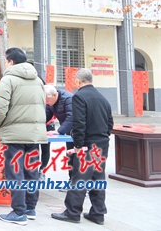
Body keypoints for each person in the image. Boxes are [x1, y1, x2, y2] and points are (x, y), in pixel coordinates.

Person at [0, 47, 47, 225]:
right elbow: (43, 105)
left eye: (6, 60)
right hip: (34, 135)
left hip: (14, 134)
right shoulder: (38, 80)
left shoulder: (8, 79)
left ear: (11, 62)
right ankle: (30, 208)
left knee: (15, 173)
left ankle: (18, 212)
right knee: (32, 171)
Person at [52, 68, 113, 225]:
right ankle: (98, 213)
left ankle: (72, 212)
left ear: (78, 81)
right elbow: (110, 123)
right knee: (97, 178)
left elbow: (79, 123)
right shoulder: (102, 98)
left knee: (79, 178)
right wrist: (103, 137)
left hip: (87, 145)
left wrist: (78, 144)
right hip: (101, 144)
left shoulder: (79, 97)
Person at [41, 84, 73, 174]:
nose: (46, 102)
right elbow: (46, 117)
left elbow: (71, 118)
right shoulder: (50, 103)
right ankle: (71, 180)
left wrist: (59, 131)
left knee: (76, 156)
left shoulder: (68, 99)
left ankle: (76, 181)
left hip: (79, 131)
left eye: (47, 100)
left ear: (55, 95)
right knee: (70, 155)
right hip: (69, 130)